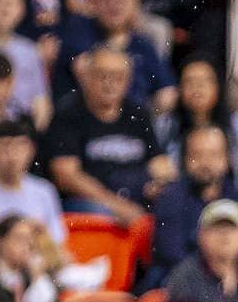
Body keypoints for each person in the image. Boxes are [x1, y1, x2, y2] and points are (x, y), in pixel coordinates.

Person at [43, 45, 173, 222]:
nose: (109, 83)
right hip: (90, 202)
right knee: (98, 212)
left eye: (118, 77)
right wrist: (116, 205)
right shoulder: (68, 113)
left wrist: (162, 184)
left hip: (134, 197)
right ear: (87, 77)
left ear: (128, 81)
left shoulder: (137, 113)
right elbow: (66, 175)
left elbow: (158, 161)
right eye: (102, 76)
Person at [147, 125, 238, 292]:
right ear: (185, 159)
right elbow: (171, 254)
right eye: (197, 155)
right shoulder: (171, 196)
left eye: (214, 155)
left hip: (229, 280)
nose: (205, 163)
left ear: (227, 159)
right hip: (177, 279)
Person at [159, 55, 238, 196]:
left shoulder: (237, 124)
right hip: (182, 201)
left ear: (218, 87)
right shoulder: (167, 124)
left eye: (205, 81)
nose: (197, 88)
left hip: (229, 205)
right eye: (189, 81)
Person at [0, 0, 50, 129]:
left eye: (12, 1)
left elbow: (41, 103)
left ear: (22, 9)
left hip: (19, 137)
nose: (5, 8)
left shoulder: (30, 51)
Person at [0, 119, 65, 243]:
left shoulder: (44, 190)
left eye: (19, 147)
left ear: (31, 150)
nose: (12, 155)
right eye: (5, 147)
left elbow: (57, 241)